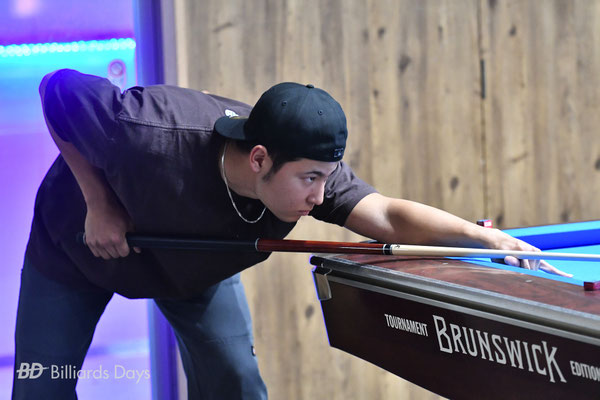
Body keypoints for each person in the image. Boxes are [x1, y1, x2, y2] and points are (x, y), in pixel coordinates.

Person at [13, 69, 569, 400]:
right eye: (310, 180)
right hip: (75, 252)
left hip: (193, 269)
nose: (321, 197)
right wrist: (98, 202)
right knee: (43, 385)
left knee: (236, 381)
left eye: (327, 178)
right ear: (259, 158)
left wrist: (484, 238)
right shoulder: (148, 131)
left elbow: (387, 216)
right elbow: (57, 89)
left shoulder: (309, 171)